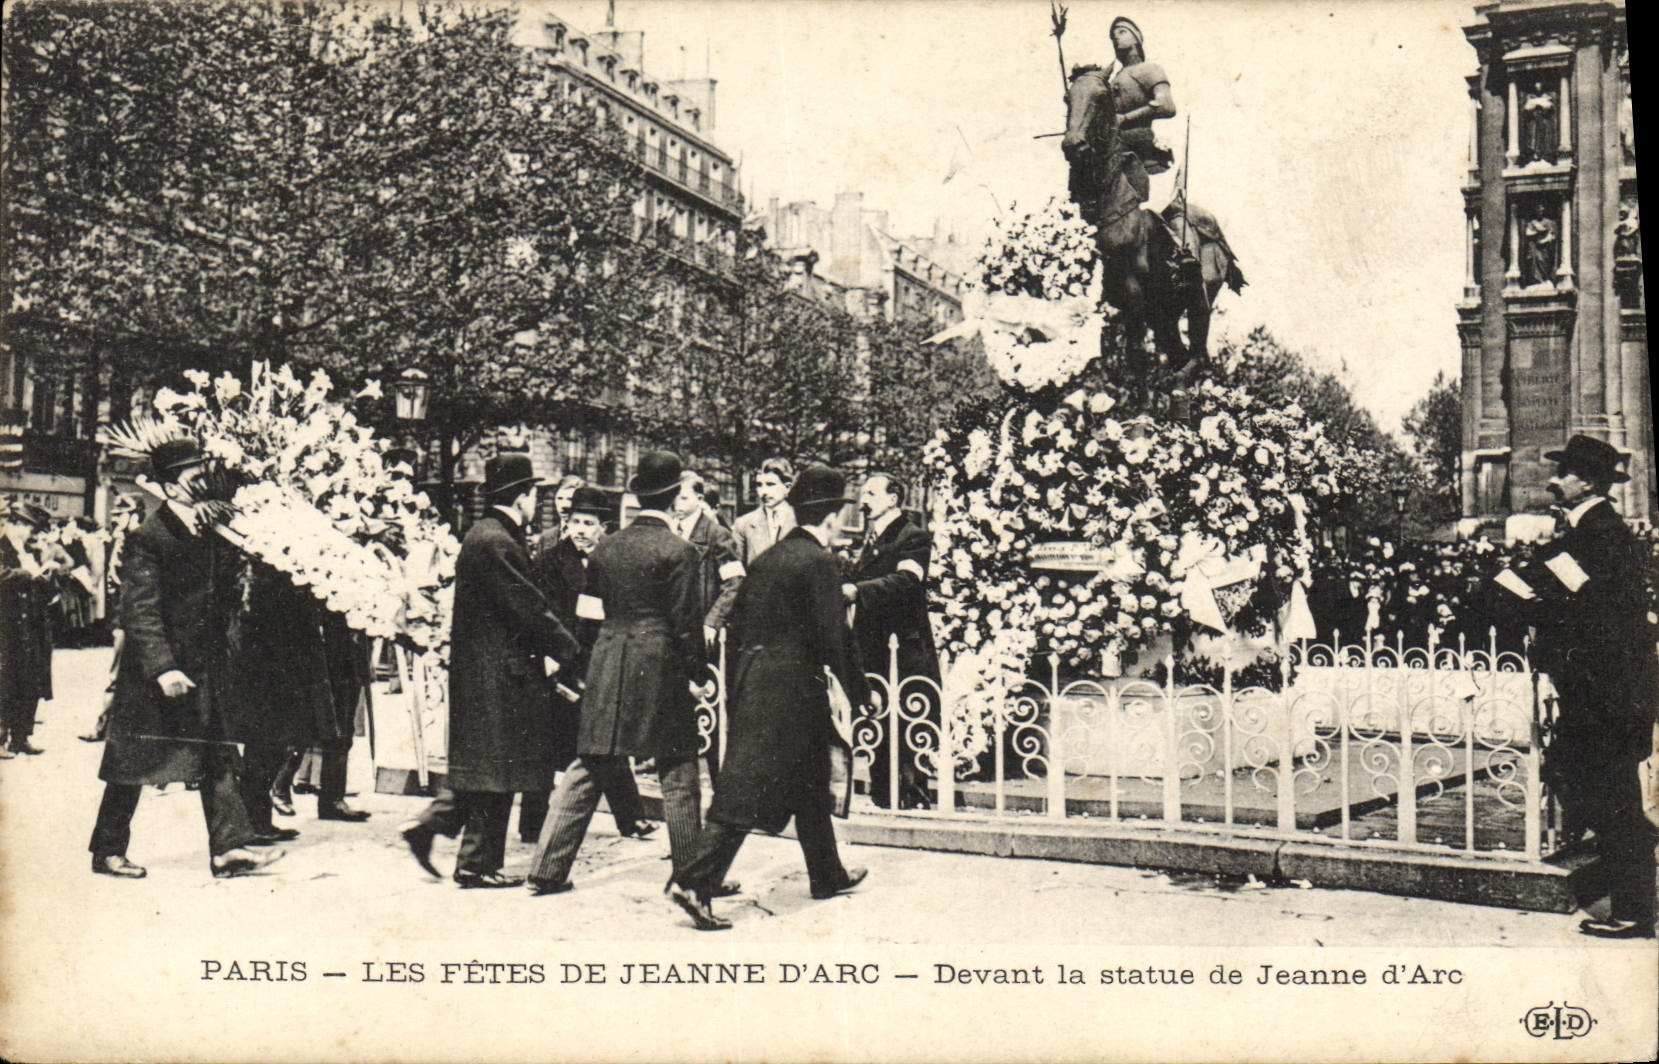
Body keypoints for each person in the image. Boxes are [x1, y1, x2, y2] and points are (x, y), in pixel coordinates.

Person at [669, 465, 872, 931]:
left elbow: (740, 625)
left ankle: (827, 872)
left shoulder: (768, 558)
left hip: (756, 682)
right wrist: (861, 693)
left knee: (810, 782)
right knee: (745, 789)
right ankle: (694, 882)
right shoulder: (819, 561)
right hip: (791, 690)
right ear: (832, 516)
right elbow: (834, 637)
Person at [86, 437, 281, 879]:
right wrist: (163, 667)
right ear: (171, 486)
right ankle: (108, 850)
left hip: (202, 668)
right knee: (133, 763)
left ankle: (229, 849)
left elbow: (225, 586)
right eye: (195, 476)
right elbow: (140, 610)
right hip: (159, 673)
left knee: (217, 757)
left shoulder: (211, 529)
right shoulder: (148, 537)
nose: (205, 483)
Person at [526, 451, 714, 898]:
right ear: (674, 497)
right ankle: (691, 877)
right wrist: (699, 673)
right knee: (678, 769)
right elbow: (686, 625)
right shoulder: (681, 551)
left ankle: (547, 870)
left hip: (608, 661)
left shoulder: (605, 548)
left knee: (590, 763)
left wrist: (582, 668)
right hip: (659, 665)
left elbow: (587, 616)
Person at [1494, 435, 1657, 938]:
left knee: (1609, 796)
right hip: (1600, 689)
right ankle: (1635, 878)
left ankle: (1635, 908)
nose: (1553, 480)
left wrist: (1531, 603)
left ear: (1587, 481)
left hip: (1607, 692)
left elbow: (1593, 612)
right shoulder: (1588, 532)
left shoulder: (1601, 535)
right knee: (1585, 781)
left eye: (1563, 472)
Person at [398, 454, 581, 888]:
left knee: (492, 769)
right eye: (534, 494)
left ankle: (441, 835)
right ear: (520, 497)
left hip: (492, 672)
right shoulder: (496, 541)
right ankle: (474, 863)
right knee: (497, 770)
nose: (537, 503)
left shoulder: (488, 535)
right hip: (499, 675)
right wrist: (573, 652)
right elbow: (529, 608)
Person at [523, 483, 653, 845]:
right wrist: (554, 656)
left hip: (600, 661)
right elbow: (541, 611)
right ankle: (532, 824)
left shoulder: (613, 560)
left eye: (589, 523)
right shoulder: (548, 561)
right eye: (576, 521)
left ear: (603, 527)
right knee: (544, 745)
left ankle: (631, 818)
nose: (580, 530)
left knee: (605, 741)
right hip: (560, 662)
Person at [845, 473, 940, 810]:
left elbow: (907, 581)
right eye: (862, 494)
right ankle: (885, 796)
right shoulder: (870, 538)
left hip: (903, 648)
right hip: (874, 647)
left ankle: (911, 798)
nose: (863, 501)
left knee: (906, 728)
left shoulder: (912, 536)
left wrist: (857, 591)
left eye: (871, 494)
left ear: (893, 498)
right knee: (879, 721)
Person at [2, 502, 55, 756]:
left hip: (32, 627)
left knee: (30, 681)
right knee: (6, 682)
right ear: (15, 524)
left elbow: (46, 589)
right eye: (28, 529)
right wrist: (27, 573)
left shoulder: (31, 551)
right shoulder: (3, 548)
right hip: (7, 626)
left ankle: (21, 737)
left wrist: (46, 577)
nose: (30, 535)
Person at [669, 469, 743, 648]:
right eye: (674, 497)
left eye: (684, 498)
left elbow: (734, 583)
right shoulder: (668, 531)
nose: (677, 504)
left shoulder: (718, 535)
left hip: (700, 629)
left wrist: (712, 622)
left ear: (700, 499)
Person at [731, 457, 797, 565]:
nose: (763, 492)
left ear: (787, 487)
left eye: (770, 484)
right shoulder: (743, 524)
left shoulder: (801, 521)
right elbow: (735, 567)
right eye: (759, 485)